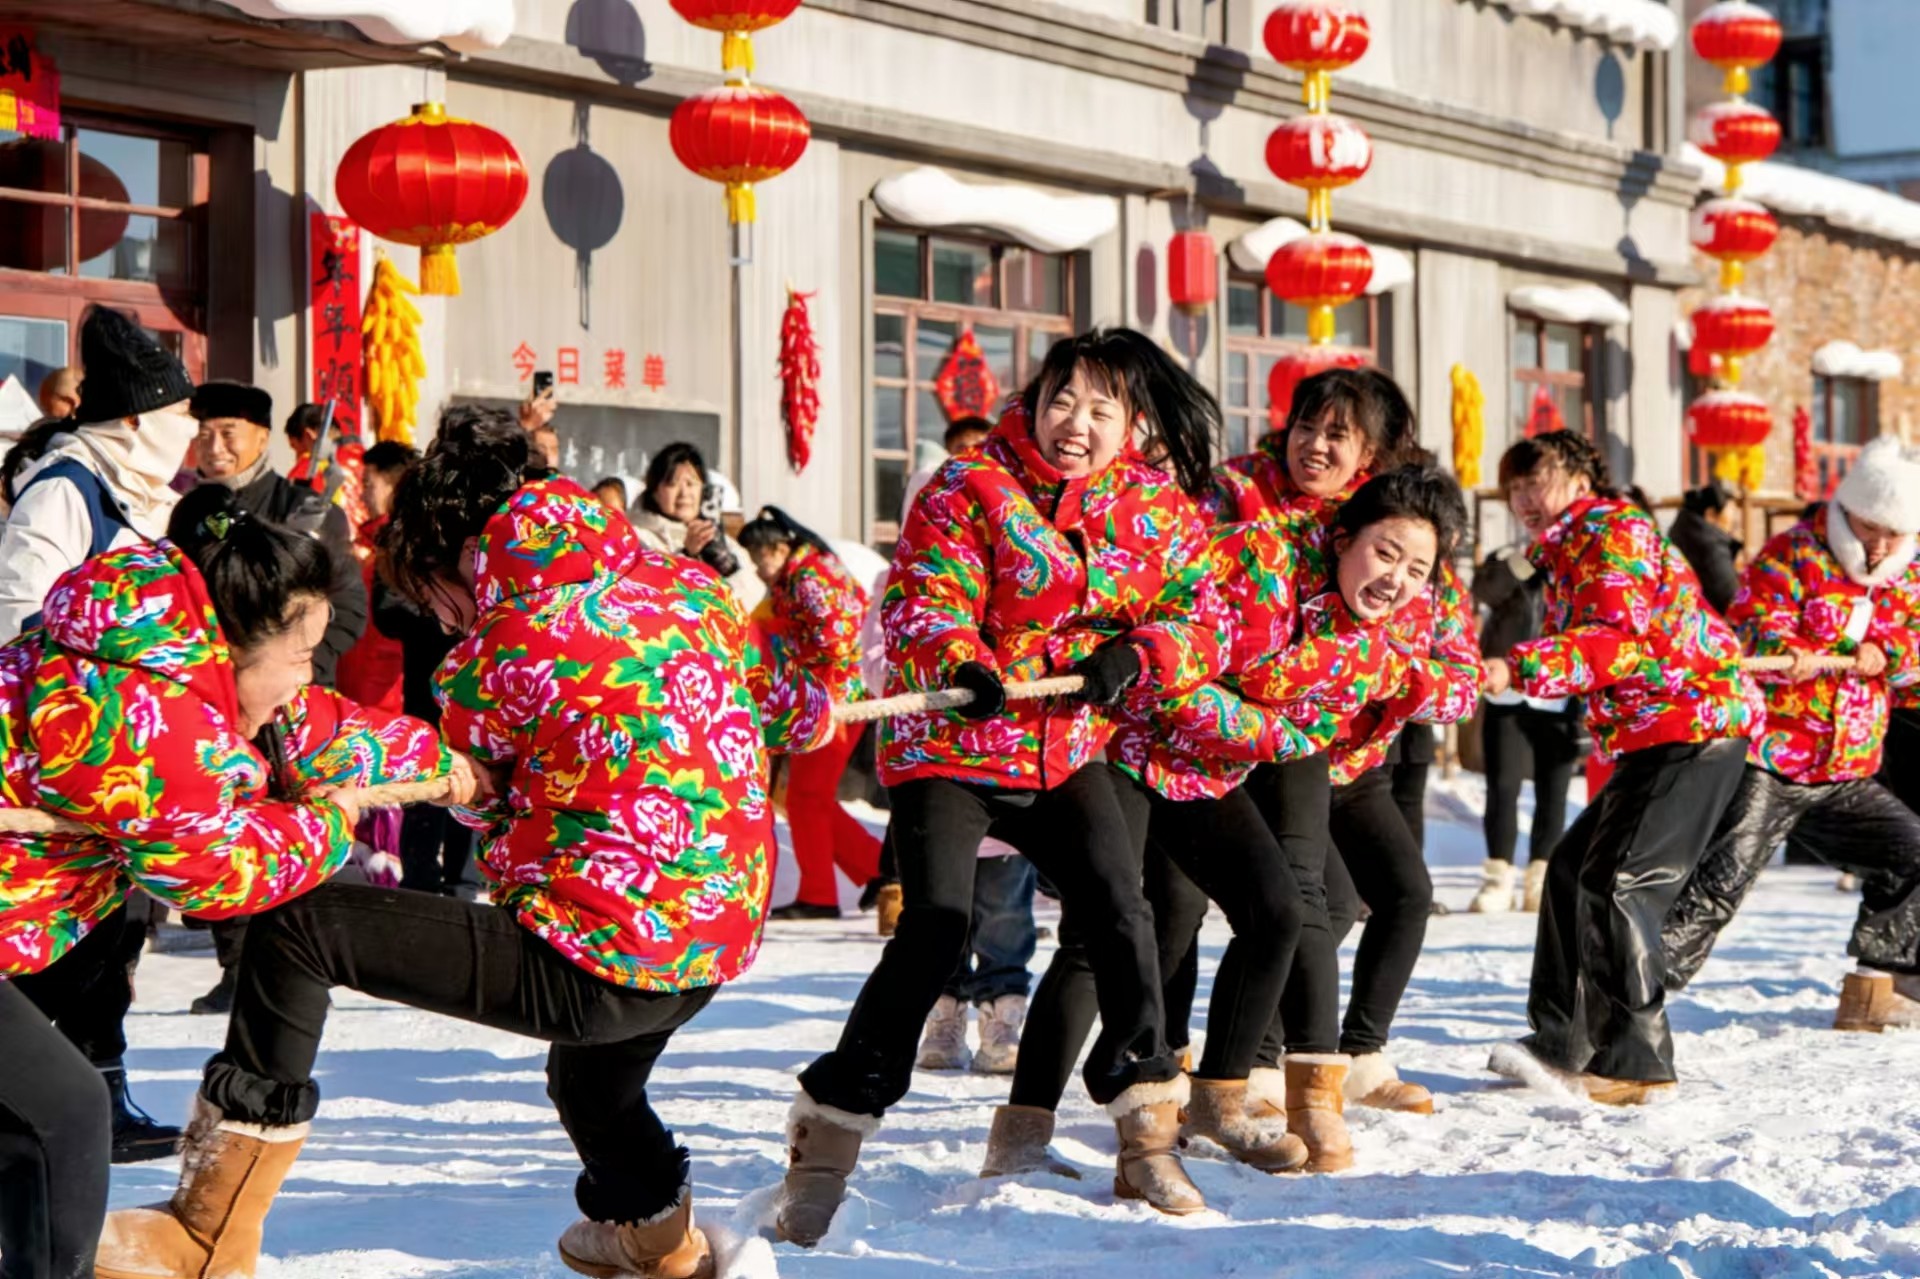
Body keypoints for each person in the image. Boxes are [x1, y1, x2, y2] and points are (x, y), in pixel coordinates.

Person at [776, 329, 1226, 1240]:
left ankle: (1146, 1131)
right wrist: (960, 658)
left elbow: (1201, 616)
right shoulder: (970, 484)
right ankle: (827, 1138)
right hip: (952, 743)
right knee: (936, 930)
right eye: (1064, 399)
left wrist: (1137, 655)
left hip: (1061, 746)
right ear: (1037, 397)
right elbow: (922, 598)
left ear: (1133, 423)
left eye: (1103, 409)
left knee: (1118, 908)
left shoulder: (1157, 508)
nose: (1077, 424)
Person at [3, 483, 460, 1279]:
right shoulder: (142, 716)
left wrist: (452, 769)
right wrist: (334, 821)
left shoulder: (166, 653)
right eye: (299, 655)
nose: (308, 673)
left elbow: (322, 727)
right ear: (237, 642)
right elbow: (221, 870)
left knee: (27, 1118)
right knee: (64, 1115)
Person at [993, 464, 1469, 1182]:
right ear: (1343, 538)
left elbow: (1324, 734)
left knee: (1278, 911)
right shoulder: (1259, 560)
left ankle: (1219, 1094)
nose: (1396, 578)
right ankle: (1022, 1131)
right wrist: (1264, 729)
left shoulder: (1374, 640)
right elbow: (1179, 657)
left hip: (1204, 769)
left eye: (1417, 568)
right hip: (1124, 740)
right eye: (1384, 552)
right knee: (1105, 931)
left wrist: (1298, 726)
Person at [1483, 429, 1760, 1105]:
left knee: (1619, 884)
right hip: (1652, 732)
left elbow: (1614, 642)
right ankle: (1560, 1044)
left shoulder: (1613, 532)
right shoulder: (1567, 549)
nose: (1523, 498)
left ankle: (1636, 1062)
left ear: (1580, 479)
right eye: (1513, 487)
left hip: (1695, 721)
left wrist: (1516, 666)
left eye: (1535, 480)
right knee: (1572, 874)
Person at [1662, 435, 1920, 1030]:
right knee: (1716, 888)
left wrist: (1890, 650)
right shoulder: (1794, 553)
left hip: (1847, 768)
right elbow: (1749, 628)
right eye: (1870, 525)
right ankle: (1618, 1006)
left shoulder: (1906, 572)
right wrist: (1790, 652)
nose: (1879, 543)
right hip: (1773, 759)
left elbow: (1914, 639)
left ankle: (1881, 985)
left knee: (1911, 854)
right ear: (1847, 510)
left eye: (1894, 532)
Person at [185, 381, 371, 1015]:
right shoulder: (187, 510)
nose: (213, 445)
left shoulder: (309, 507)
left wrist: (297, 666)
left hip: (287, 700)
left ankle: (289, 959)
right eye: (203, 432)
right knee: (221, 824)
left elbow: (347, 605)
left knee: (287, 824)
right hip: (212, 698)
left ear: (262, 438)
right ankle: (235, 964)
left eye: (227, 432)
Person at [0, 307, 197, 641]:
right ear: (134, 421)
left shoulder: (149, 491)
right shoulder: (64, 491)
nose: (192, 429)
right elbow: (18, 618)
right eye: (180, 415)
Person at [739, 505, 884, 920]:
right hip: (835, 697)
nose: (758, 566)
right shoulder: (804, 572)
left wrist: (780, 638)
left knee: (806, 797)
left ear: (782, 546)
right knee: (809, 797)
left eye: (761, 555)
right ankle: (878, 871)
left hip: (835, 700)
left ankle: (820, 893)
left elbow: (834, 641)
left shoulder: (808, 577)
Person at [1469, 541, 1584, 913]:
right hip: (1508, 688)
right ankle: (1498, 878)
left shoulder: (1578, 559)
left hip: (1558, 687)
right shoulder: (1508, 560)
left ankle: (1540, 877)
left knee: (1554, 787)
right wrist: (1524, 561)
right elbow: (1484, 591)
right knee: (1502, 785)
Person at [628, 440, 761, 609]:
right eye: (673, 484)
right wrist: (687, 555)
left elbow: (754, 600)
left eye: (691, 484)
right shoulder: (638, 536)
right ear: (654, 492)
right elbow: (654, 596)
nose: (684, 493)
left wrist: (726, 564)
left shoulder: (720, 539)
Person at [1669, 479, 1744, 615]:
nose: (1732, 526)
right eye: (1730, 521)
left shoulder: (1679, 531)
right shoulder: (1711, 547)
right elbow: (1731, 600)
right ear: (1710, 514)